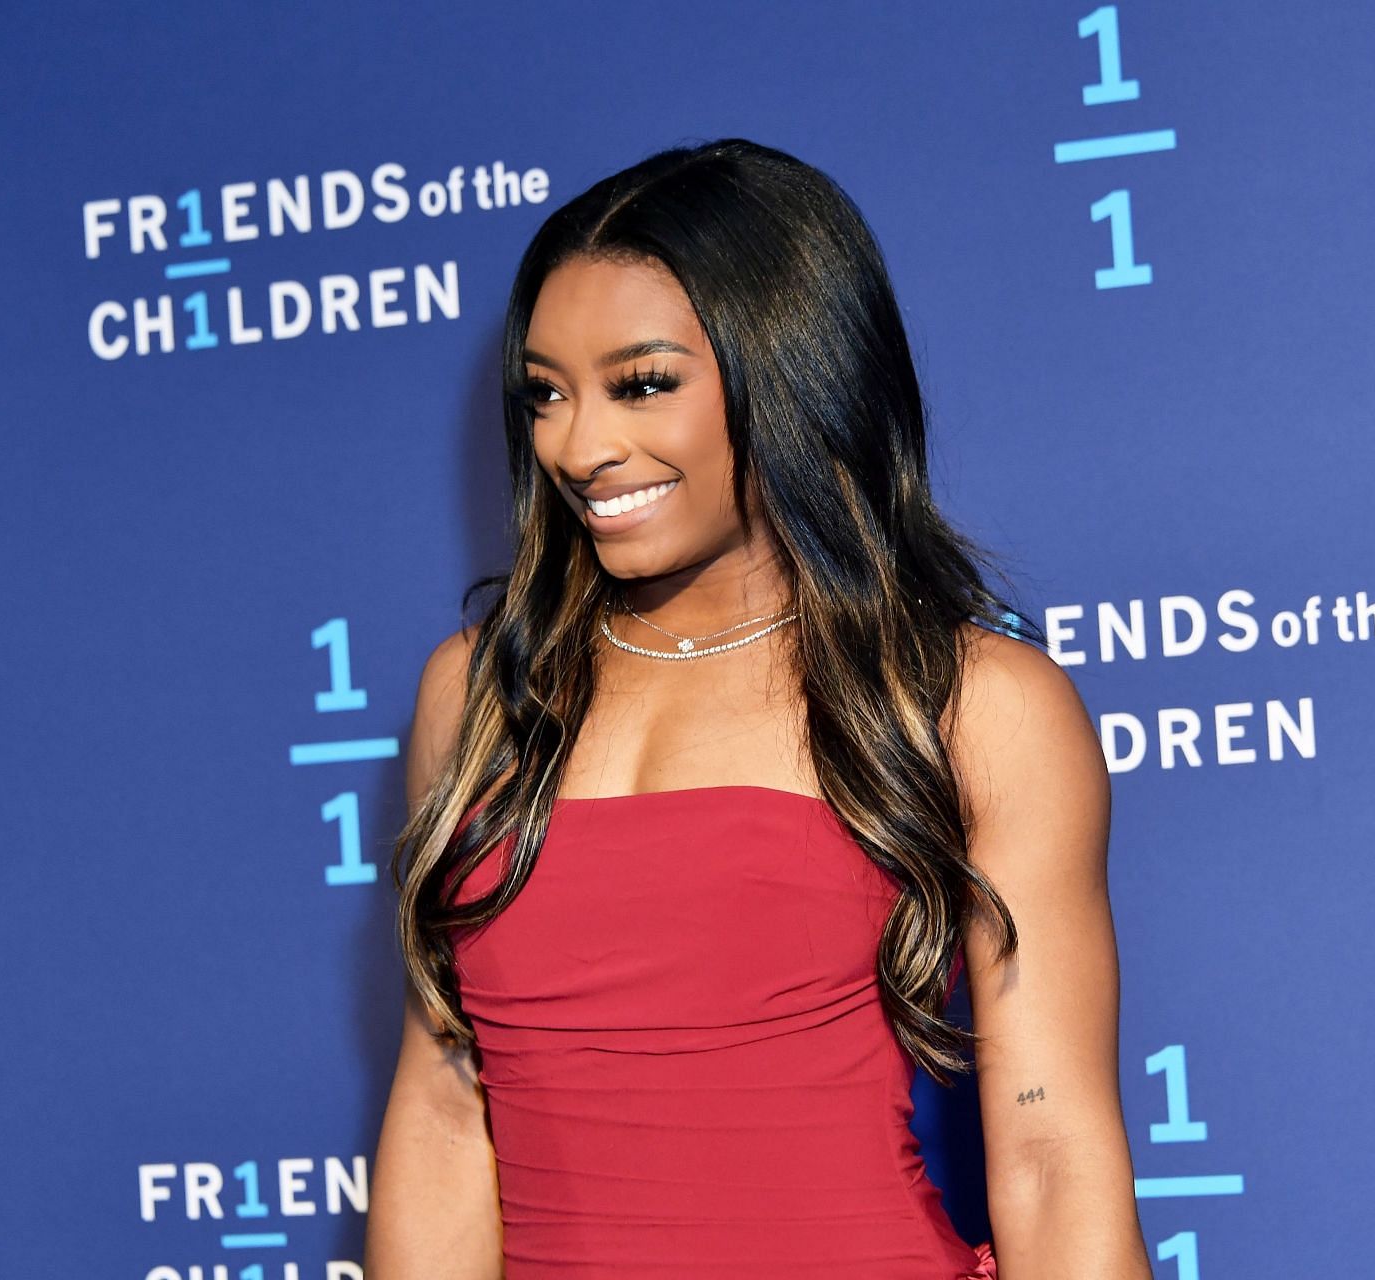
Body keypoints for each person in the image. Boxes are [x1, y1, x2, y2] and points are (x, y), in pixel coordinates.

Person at [365, 138, 1154, 1278]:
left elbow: (1049, 1149)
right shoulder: (485, 691)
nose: (579, 446)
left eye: (642, 383)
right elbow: (443, 1119)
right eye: (546, 393)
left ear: (789, 372)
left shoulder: (969, 699)